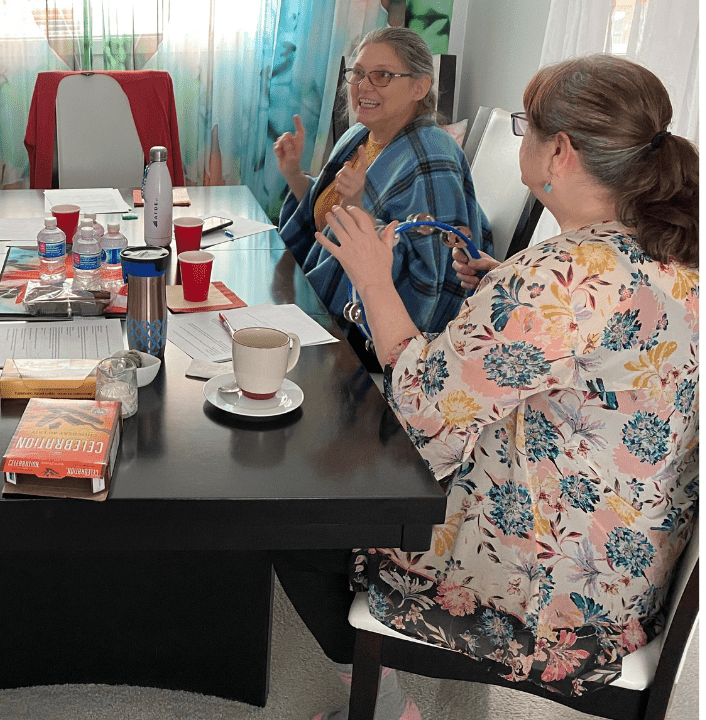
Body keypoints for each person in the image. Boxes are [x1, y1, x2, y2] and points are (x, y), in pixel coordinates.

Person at [275, 53, 698, 718]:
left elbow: (418, 416)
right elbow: (592, 343)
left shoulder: (559, 280)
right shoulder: (667, 251)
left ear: (559, 153)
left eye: (527, 127)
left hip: (552, 596)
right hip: (624, 562)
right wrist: (504, 284)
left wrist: (373, 279)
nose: (521, 139)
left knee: (301, 510)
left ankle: (387, 705)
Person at [274, 27, 492, 368]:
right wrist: (294, 174)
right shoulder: (359, 135)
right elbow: (328, 217)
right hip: (327, 304)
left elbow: (429, 283)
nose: (363, 86)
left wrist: (357, 208)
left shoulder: (432, 158)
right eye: (358, 73)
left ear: (419, 87)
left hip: (376, 334)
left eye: (383, 76)